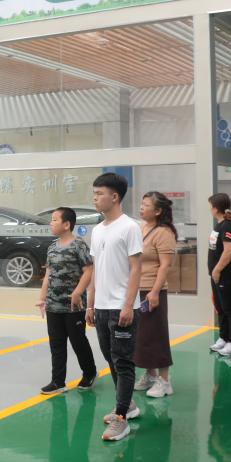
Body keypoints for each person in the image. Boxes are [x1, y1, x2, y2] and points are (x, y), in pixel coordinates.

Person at [86, 172, 144, 442]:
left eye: (99, 194)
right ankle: (127, 405)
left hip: (122, 307)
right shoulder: (98, 230)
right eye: (94, 193)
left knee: (123, 362)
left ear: (115, 196)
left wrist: (128, 305)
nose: (95, 198)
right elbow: (96, 269)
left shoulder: (129, 227)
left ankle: (121, 419)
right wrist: (90, 304)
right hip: (101, 307)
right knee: (111, 359)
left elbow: (136, 269)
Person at [35, 207, 97, 395]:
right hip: (53, 305)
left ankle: (89, 373)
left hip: (73, 306)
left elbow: (88, 270)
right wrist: (42, 298)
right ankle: (58, 381)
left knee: (78, 341)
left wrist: (78, 292)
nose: (50, 223)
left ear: (67, 224)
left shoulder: (79, 245)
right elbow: (48, 274)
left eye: (54, 220)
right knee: (56, 344)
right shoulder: (52, 247)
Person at [133, 191, 177, 397]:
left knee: (157, 334)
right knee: (143, 335)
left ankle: (165, 381)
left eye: (146, 205)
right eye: (141, 204)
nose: (141, 208)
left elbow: (165, 266)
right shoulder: (141, 228)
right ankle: (150, 374)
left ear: (158, 211)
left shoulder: (164, 233)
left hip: (152, 289)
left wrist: (155, 292)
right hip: (138, 288)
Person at [207, 193, 231, 357]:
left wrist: (217, 269)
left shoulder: (227, 226)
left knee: (228, 308)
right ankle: (224, 337)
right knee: (220, 307)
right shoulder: (219, 225)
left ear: (215, 208)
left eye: (210, 206)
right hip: (216, 276)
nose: (209, 209)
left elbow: (229, 251)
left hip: (225, 275)